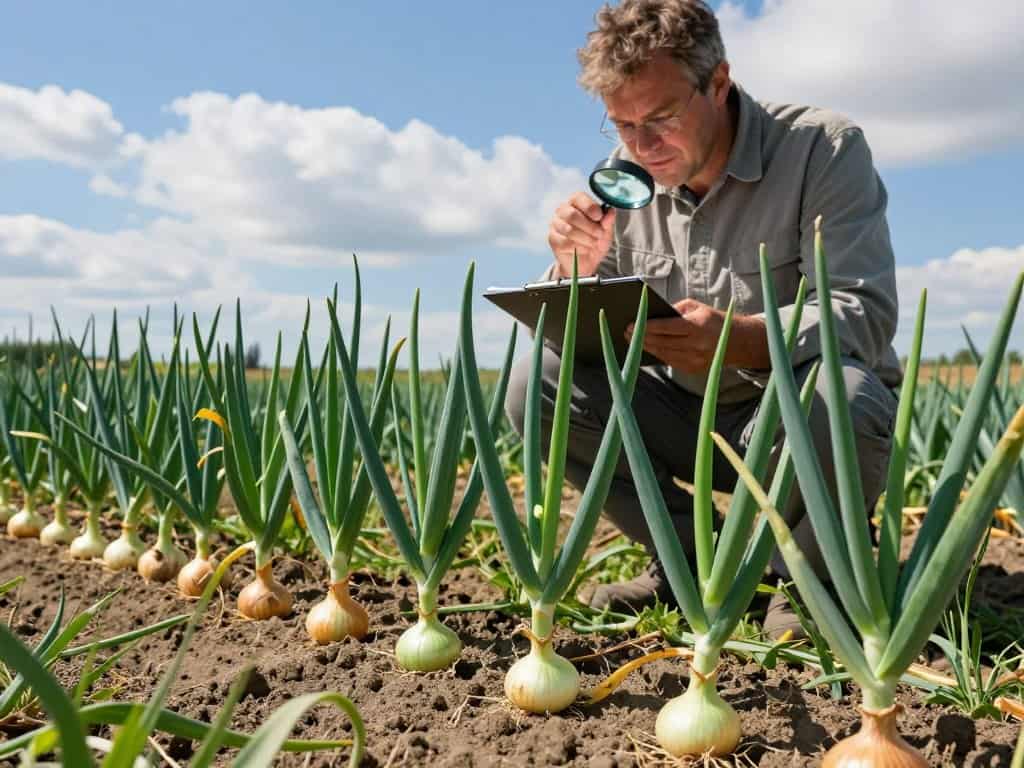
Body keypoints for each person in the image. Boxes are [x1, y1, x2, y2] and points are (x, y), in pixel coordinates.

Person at [504, 0, 902, 637]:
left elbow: (863, 311)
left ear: (718, 82)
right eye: (623, 125)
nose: (643, 146)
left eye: (660, 119)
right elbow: (578, 341)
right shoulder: (627, 177)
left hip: (790, 424)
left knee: (844, 395)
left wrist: (741, 340)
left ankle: (805, 582)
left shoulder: (821, 149)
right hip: (685, 417)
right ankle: (691, 559)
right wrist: (573, 272)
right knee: (535, 385)